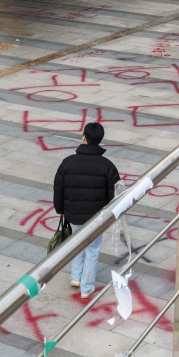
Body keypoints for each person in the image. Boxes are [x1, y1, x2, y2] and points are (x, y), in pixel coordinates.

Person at [53, 122, 121, 298]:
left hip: (72, 214)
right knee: (92, 250)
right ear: (100, 140)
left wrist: (60, 209)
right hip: (95, 217)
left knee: (76, 243)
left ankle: (76, 276)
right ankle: (86, 287)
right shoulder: (108, 166)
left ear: (84, 137)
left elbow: (58, 188)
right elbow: (114, 194)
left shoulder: (67, 163)